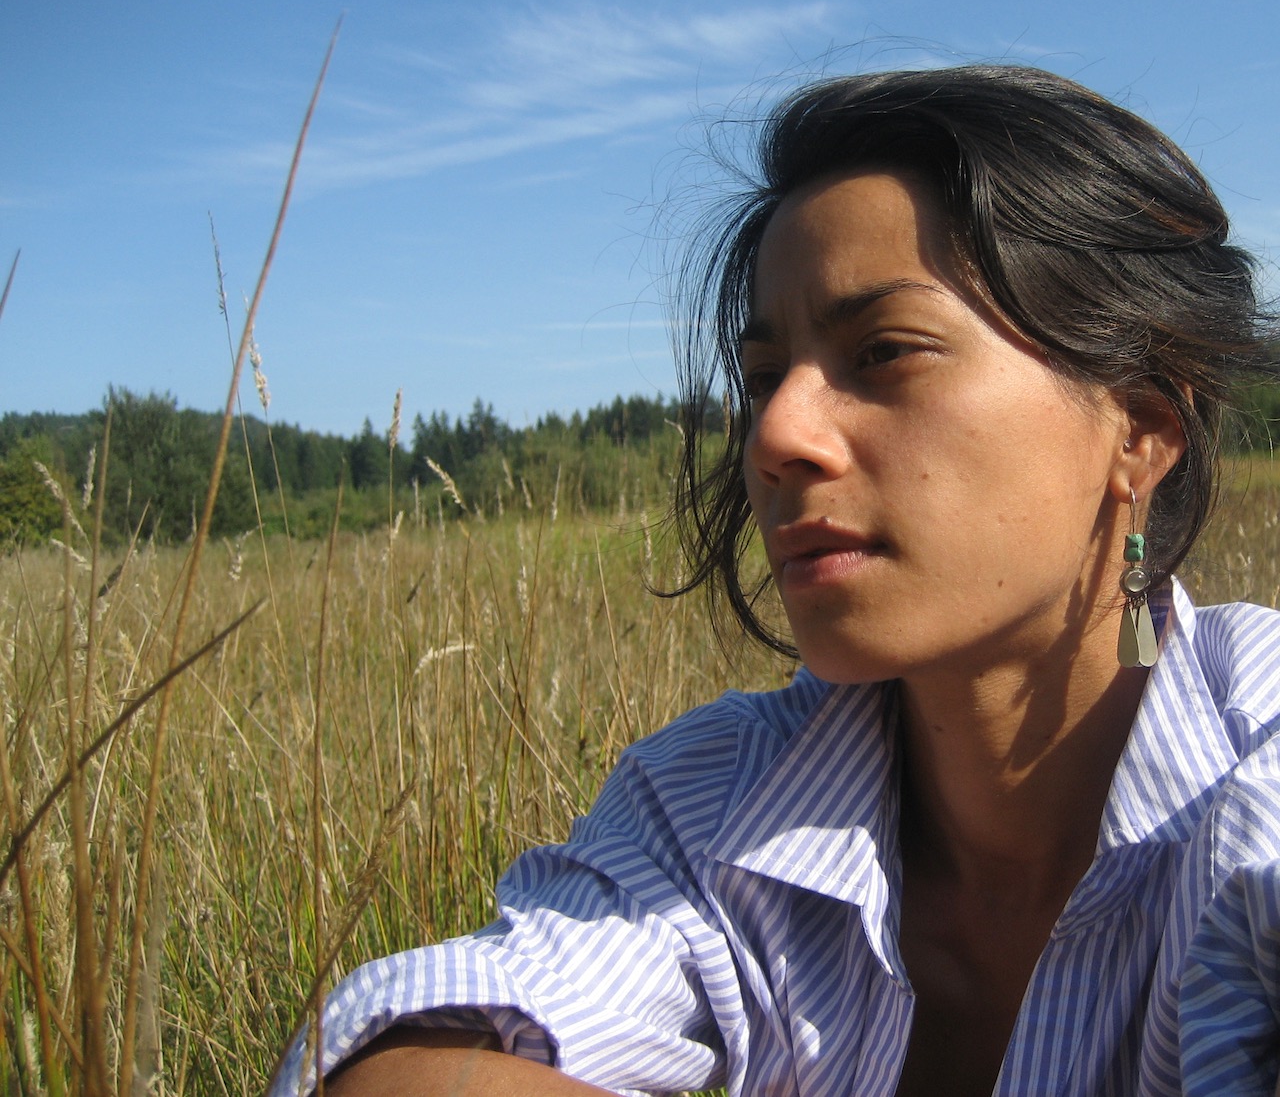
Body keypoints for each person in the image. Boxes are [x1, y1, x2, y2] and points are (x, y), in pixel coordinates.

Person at [271, 65, 1280, 1096]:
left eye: (884, 350)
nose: (775, 436)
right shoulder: (711, 804)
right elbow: (412, 1067)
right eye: (761, 379)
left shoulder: (1253, 779)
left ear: (1141, 428)